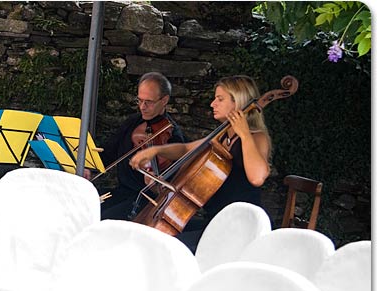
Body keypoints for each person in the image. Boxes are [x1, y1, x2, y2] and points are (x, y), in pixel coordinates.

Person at [129, 75, 271, 253]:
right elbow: (186, 148)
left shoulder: (256, 137)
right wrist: (156, 151)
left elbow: (257, 177)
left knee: (166, 248)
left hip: (238, 228)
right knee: (152, 237)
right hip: (215, 222)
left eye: (220, 99)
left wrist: (244, 134)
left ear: (238, 103)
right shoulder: (221, 137)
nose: (213, 104)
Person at [98, 72, 185, 221]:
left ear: (164, 100)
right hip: (122, 192)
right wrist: (90, 166)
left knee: (103, 219)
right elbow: (108, 153)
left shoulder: (172, 135)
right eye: (139, 100)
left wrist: (154, 183)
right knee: (85, 208)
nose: (142, 107)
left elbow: (173, 186)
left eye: (148, 102)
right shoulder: (133, 122)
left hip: (145, 200)